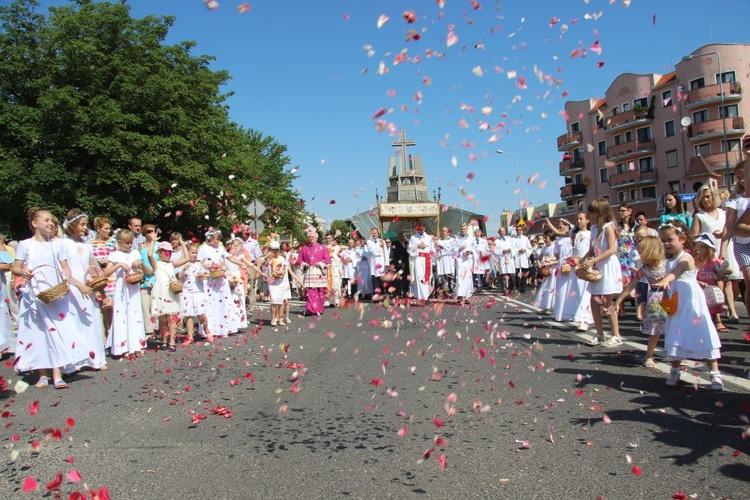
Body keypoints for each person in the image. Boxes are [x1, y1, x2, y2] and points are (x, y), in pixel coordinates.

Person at [11, 208, 87, 388]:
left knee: (57, 331)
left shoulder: (57, 245)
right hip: (35, 294)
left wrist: (65, 278)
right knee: (39, 333)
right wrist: (23, 271)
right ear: (34, 223)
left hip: (55, 292)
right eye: (46, 220)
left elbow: (65, 267)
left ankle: (57, 371)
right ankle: (42, 373)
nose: (51, 223)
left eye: (52, 220)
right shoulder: (25, 245)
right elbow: (16, 267)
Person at [654, 222, 723, 390]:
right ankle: (675, 369)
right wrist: (664, 303)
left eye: (670, 239)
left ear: (683, 238)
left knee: (702, 332)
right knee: (675, 334)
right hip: (677, 303)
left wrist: (666, 279)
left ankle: (715, 375)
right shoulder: (669, 260)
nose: (666, 243)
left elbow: (678, 271)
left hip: (692, 303)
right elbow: (669, 282)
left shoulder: (686, 257)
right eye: (663, 240)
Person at [61, 209, 107, 371]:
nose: (85, 227)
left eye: (85, 224)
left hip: (89, 288)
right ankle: (75, 363)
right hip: (73, 289)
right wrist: (78, 284)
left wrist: (100, 288)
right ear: (72, 225)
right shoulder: (64, 244)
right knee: (74, 324)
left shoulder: (86, 245)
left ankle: (96, 359)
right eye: (82, 224)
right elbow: (63, 269)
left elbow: (92, 267)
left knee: (91, 321)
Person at [615, 235, 667, 368]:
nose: (639, 255)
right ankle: (649, 355)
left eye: (641, 251)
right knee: (655, 330)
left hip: (671, 297)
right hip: (656, 300)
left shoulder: (668, 264)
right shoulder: (644, 269)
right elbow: (630, 286)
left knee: (675, 327)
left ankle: (678, 355)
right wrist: (618, 301)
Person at [692, 184, 739, 324]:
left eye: (708, 196)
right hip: (709, 251)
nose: (706, 200)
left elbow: (730, 229)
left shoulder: (724, 213)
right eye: (703, 198)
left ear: (714, 196)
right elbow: (694, 237)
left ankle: (732, 310)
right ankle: (717, 317)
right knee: (717, 282)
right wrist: (709, 237)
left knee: (730, 280)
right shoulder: (700, 216)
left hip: (725, 247)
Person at [582, 198, 624, 347]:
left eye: (593, 214)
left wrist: (594, 260)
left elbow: (612, 249)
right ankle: (599, 334)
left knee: (607, 301)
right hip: (598, 265)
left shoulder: (608, 227)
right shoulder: (593, 229)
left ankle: (616, 335)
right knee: (593, 300)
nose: (591, 217)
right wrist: (582, 260)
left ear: (601, 213)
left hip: (608, 265)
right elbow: (592, 249)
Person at [104, 229, 146, 358]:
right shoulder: (115, 255)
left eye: (131, 243)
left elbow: (146, 270)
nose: (129, 245)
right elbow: (106, 273)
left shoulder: (135, 252)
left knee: (135, 313)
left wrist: (139, 264)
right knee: (122, 313)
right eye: (126, 243)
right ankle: (123, 346)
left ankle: (137, 344)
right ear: (119, 242)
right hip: (122, 287)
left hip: (133, 286)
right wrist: (120, 265)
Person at [198, 229, 246, 338]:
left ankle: (222, 328)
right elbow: (199, 262)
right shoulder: (203, 248)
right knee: (209, 303)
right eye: (217, 239)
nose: (218, 241)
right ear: (210, 238)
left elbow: (230, 257)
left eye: (219, 239)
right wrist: (209, 266)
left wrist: (241, 264)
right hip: (209, 279)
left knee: (222, 302)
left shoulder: (220, 248)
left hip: (220, 279)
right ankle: (209, 329)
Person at [724, 161, 750, 333]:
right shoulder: (735, 199)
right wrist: (722, 250)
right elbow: (730, 226)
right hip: (742, 245)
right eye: (738, 177)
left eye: (744, 176)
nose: (741, 180)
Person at [148, 240, 188, 351]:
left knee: (172, 318)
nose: (168, 254)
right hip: (160, 291)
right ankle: (164, 340)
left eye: (170, 252)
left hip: (171, 291)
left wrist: (183, 244)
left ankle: (172, 341)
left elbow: (186, 259)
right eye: (166, 252)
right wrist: (153, 241)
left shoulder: (172, 264)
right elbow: (150, 255)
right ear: (160, 253)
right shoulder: (156, 264)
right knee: (162, 319)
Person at [693, 233, 729, 334]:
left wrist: (723, 273)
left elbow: (722, 274)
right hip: (698, 288)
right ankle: (699, 325)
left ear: (710, 248)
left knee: (713, 307)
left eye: (703, 247)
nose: (698, 249)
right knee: (699, 308)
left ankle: (717, 321)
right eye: (697, 246)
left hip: (711, 289)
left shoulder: (715, 262)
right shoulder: (694, 262)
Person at [178, 242, 212, 343]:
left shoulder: (198, 264)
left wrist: (202, 275)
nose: (195, 255)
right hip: (187, 292)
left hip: (198, 291)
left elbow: (206, 274)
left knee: (201, 315)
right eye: (192, 252)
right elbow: (178, 277)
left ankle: (207, 330)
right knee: (189, 316)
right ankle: (190, 336)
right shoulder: (183, 264)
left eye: (196, 253)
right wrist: (184, 269)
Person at [89, 217, 116, 333]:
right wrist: (97, 261)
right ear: (98, 229)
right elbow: (89, 260)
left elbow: (117, 257)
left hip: (111, 277)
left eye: (109, 228)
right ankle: (103, 336)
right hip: (98, 277)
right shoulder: (90, 243)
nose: (108, 231)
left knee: (111, 305)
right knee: (100, 307)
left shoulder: (112, 242)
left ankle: (113, 335)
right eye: (106, 228)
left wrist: (108, 261)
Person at [296, 231, 331, 315]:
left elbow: (328, 261)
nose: (311, 239)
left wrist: (320, 264)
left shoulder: (323, 248)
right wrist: (304, 264)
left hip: (319, 271)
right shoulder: (304, 248)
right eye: (310, 237)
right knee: (310, 291)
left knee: (319, 291)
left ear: (316, 238)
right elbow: (299, 260)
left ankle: (319, 309)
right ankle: (310, 309)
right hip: (309, 271)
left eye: (313, 237)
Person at [408, 222, 434, 303]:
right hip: (419, 259)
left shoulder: (429, 237)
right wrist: (417, 246)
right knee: (420, 278)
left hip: (427, 259)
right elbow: (409, 249)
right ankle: (421, 297)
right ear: (417, 228)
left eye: (423, 229)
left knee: (427, 278)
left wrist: (435, 254)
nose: (422, 230)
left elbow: (432, 249)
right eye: (420, 229)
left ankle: (426, 296)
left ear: (425, 228)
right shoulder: (413, 237)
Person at [265, 240, 288, 326]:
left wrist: (282, 273)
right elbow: (265, 267)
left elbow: (285, 267)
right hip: (272, 281)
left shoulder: (282, 258)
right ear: (270, 250)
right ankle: (273, 318)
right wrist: (267, 259)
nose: (275, 251)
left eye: (276, 249)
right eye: (273, 249)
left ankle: (280, 318)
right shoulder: (269, 259)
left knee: (280, 301)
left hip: (280, 281)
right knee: (274, 300)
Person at [533, 230, 557, 312]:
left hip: (553, 270)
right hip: (546, 270)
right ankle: (545, 306)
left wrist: (550, 262)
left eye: (546, 238)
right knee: (545, 288)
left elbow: (557, 258)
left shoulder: (555, 247)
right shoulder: (544, 247)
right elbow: (539, 258)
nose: (544, 239)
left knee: (553, 288)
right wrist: (539, 264)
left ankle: (554, 306)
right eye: (544, 238)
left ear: (551, 237)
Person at [454, 222, 475, 302]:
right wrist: (459, 249)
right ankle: (460, 296)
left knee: (468, 278)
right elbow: (453, 250)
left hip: (468, 260)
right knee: (460, 278)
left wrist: (469, 252)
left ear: (467, 228)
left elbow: (475, 250)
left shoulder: (471, 239)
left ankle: (467, 296)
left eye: (464, 229)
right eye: (462, 229)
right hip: (460, 261)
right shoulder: (457, 239)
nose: (463, 230)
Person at [493, 227, 515, 295]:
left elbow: (514, 248)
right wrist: (502, 251)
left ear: (505, 232)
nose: (502, 233)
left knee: (512, 276)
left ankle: (511, 288)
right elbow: (494, 251)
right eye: (501, 231)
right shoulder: (496, 241)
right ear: (498, 232)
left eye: (503, 231)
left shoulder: (510, 240)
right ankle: (505, 290)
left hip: (510, 259)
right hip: (502, 259)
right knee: (503, 276)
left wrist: (511, 250)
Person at [366, 228, 388, 298]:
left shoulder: (382, 241)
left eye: (375, 233)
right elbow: (373, 251)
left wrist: (386, 263)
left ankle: (382, 295)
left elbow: (386, 253)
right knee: (375, 281)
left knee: (381, 280)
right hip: (374, 263)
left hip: (381, 262)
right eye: (373, 233)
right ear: (371, 233)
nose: (374, 234)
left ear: (378, 233)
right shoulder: (369, 241)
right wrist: (379, 246)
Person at [435, 227, 455, 295]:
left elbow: (451, 249)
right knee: (442, 275)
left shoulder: (452, 240)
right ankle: (444, 290)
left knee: (450, 274)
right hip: (441, 259)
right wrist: (436, 245)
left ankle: (451, 288)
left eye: (445, 231)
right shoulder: (438, 240)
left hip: (448, 258)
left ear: (448, 232)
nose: (444, 232)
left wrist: (442, 246)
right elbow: (435, 250)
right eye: (442, 231)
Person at [325, 233, 343, 307]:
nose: (328, 240)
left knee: (335, 284)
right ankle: (327, 301)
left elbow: (340, 257)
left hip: (334, 267)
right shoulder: (324, 247)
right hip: (327, 268)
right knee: (326, 284)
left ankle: (336, 300)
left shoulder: (337, 247)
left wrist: (333, 256)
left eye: (329, 238)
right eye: (327, 238)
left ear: (332, 239)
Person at [513, 225, 533, 292]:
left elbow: (529, 248)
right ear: (516, 231)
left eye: (520, 230)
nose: (519, 231)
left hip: (524, 257)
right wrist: (518, 250)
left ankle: (523, 287)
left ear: (522, 231)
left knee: (524, 273)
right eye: (517, 230)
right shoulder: (513, 239)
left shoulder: (525, 239)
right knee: (517, 274)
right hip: (517, 258)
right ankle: (518, 287)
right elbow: (512, 248)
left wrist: (525, 250)